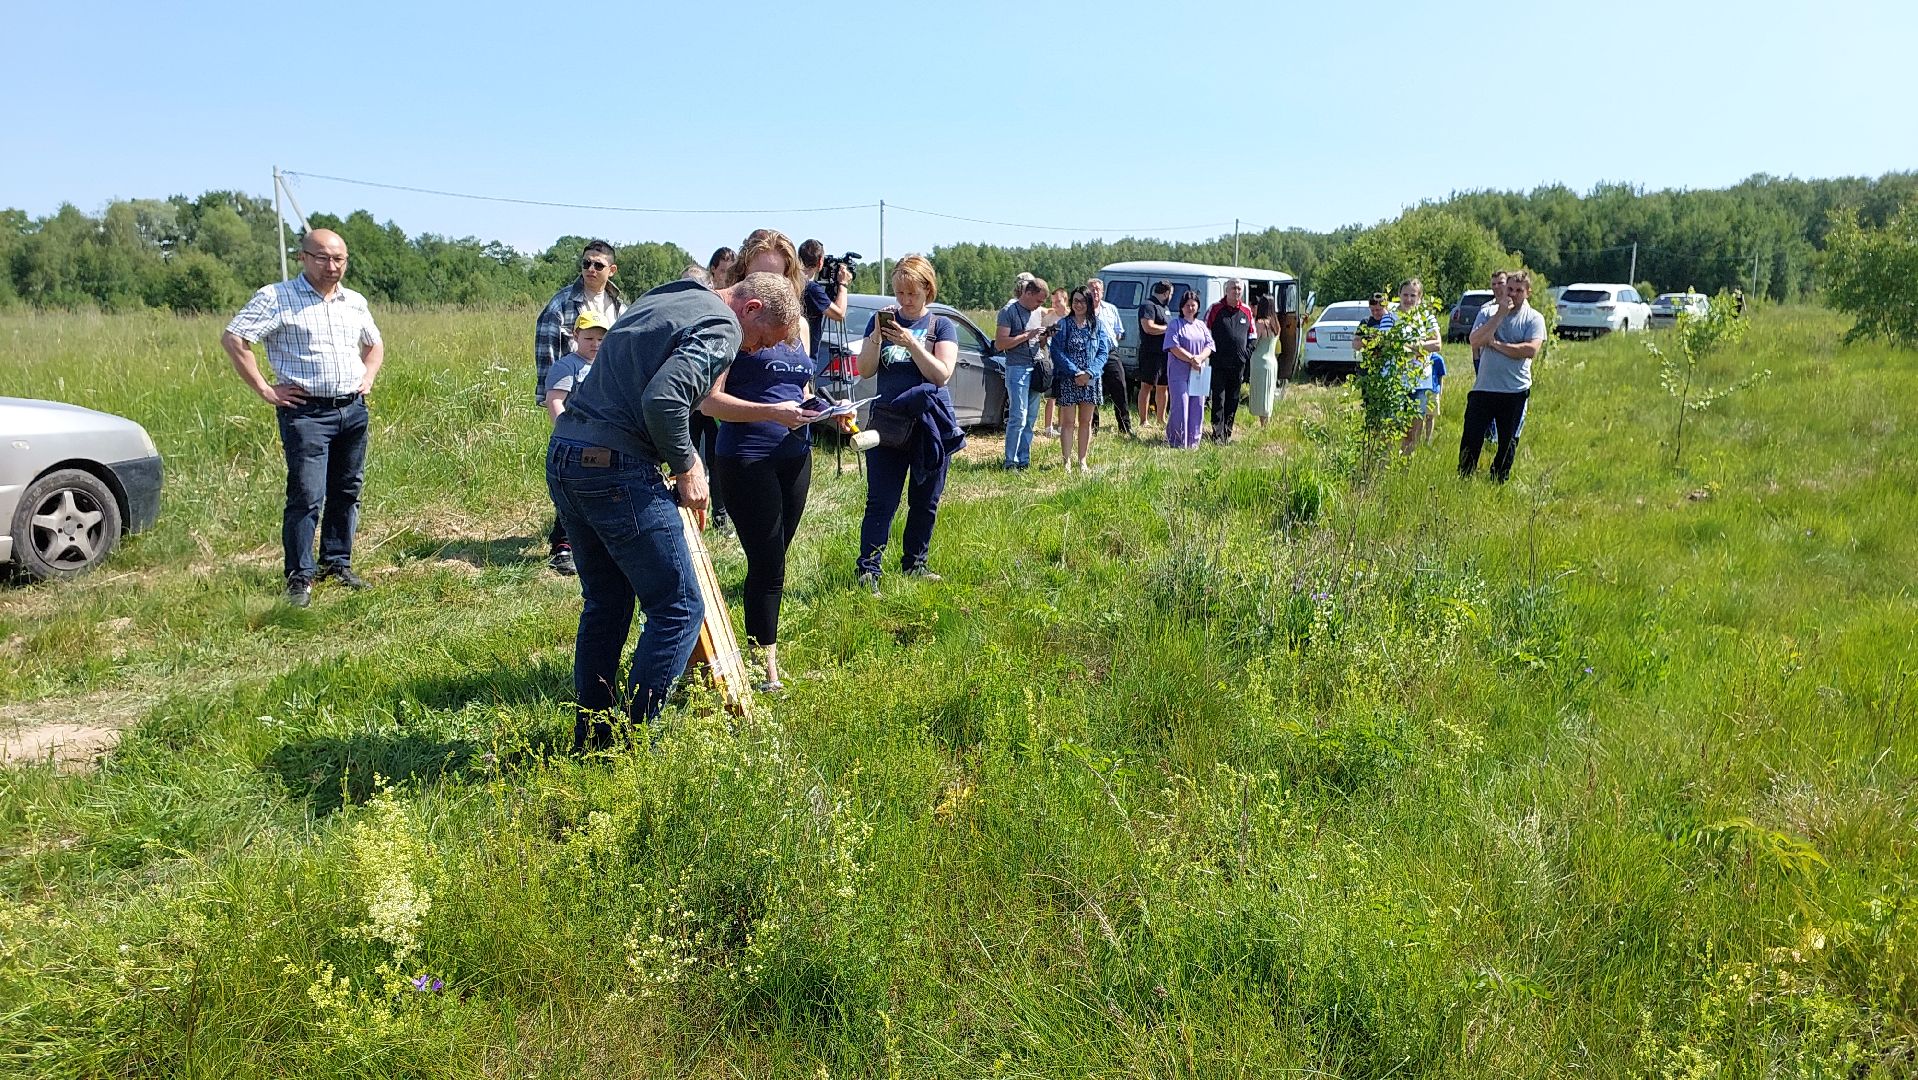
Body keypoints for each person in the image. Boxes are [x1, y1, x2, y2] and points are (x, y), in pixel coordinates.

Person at [548, 271, 800, 752]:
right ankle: (632, 743)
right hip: (616, 469)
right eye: (761, 340)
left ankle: (594, 738)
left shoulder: (673, 296)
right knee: (680, 608)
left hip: (567, 456)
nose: (751, 352)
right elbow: (663, 399)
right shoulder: (723, 325)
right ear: (749, 310)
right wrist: (688, 466)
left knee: (607, 603)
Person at [221, 228, 384, 607]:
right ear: (303, 257)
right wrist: (265, 389)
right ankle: (299, 577)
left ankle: (336, 563)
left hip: (351, 410)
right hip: (306, 413)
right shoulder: (277, 297)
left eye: (339, 259)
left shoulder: (354, 301)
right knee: (307, 495)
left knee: (347, 490)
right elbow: (235, 339)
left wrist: (368, 376)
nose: (332, 266)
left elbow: (373, 343)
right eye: (323, 258)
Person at [699, 308, 831, 694]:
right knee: (769, 563)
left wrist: (823, 411)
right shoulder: (733, 327)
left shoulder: (798, 325)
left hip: (795, 456)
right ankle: (765, 667)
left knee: (774, 558)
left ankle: (758, 645)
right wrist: (773, 412)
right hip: (746, 457)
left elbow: (802, 390)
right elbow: (709, 402)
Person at [855, 255, 965, 592]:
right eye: (900, 293)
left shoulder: (941, 327)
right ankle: (868, 571)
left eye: (911, 294)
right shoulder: (883, 323)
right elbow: (865, 370)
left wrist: (911, 342)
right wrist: (877, 334)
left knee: (925, 500)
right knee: (881, 501)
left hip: (929, 426)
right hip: (887, 424)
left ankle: (915, 564)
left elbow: (941, 374)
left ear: (927, 290)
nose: (904, 300)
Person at [535, 241, 628, 571]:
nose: (591, 269)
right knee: (572, 475)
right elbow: (547, 352)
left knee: (600, 474)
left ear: (610, 270)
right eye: (586, 263)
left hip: (608, 408)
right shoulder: (562, 303)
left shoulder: (619, 305)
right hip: (569, 404)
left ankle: (596, 539)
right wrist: (550, 401)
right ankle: (563, 545)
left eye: (598, 265)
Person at [540, 310, 610, 574]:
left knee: (595, 493)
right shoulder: (567, 366)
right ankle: (562, 547)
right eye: (589, 338)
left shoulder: (605, 365)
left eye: (601, 339)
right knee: (572, 497)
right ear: (575, 336)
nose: (595, 344)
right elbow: (555, 401)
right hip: (574, 445)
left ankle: (592, 544)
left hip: (601, 441)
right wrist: (566, 434)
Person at [1460, 270, 1546, 482]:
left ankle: (1498, 480)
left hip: (1514, 391)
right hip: (1484, 388)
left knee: (1507, 441)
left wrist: (1497, 345)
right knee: (1471, 437)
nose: (1513, 294)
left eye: (1519, 290)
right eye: (1510, 289)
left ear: (1527, 293)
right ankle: (1463, 479)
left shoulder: (1534, 318)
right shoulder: (1488, 313)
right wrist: (1499, 315)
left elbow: (1529, 350)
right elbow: (1475, 340)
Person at [1051, 286, 1113, 472]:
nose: (1078, 305)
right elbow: (1056, 351)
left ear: (1089, 303)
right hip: (1070, 379)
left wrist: (1090, 373)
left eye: (1082, 301)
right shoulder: (1063, 325)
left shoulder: (1098, 325)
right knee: (1068, 422)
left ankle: (1082, 461)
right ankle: (1066, 461)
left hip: (1090, 379)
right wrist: (1075, 372)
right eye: (1075, 301)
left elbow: (1103, 351)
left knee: (1086, 422)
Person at [994, 276, 1050, 469]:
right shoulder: (1008, 311)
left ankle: (1024, 460)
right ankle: (1010, 461)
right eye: (1038, 301)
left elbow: (1036, 341)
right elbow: (1000, 344)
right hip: (1017, 368)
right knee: (1019, 415)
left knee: (1031, 417)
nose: (1039, 305)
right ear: (1027, 293)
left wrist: (1044, 337)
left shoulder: (1036, 313)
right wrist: (1027, 335)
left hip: (1035, 367)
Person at [1394, 277, 1443, 454]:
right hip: (1395, 382)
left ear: (1420, 297)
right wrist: (1421, 346)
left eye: (1413, 295)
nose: (1408, 299)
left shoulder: (1427, 317)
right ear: (1399, 295)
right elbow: (1389, 346)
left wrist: (1412, 347)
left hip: (1420, 383)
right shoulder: (1391, 317)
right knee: (1393, 429)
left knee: (1414, 430)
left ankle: (1406, 466)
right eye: (1405, 295)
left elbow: (1437, 344)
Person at [1205, 280, 1256, 442]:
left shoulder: (1246, 310)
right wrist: (1211, 353)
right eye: (1233, 288)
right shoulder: (1215, 309)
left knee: (1233, 399)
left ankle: (1227, 432)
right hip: (1219, 363)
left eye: (1239, 288)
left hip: (1238, 364)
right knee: (1219, 398)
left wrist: (1245, 355)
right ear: (1226, 290)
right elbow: (1205, 332)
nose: (1236, 291)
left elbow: (1253, 336)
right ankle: (1216, 434)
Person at [1163, 290, 1214, 449]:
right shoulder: (1175, 324)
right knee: (1181, 405)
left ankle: (1193, 442)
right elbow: (1173, 346)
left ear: (1197, 306)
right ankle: (1177, 440)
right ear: (1182, 307)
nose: (1190, 308)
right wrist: (1191, 359)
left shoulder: (1202, 326)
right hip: (1179, 371)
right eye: (1187, 305)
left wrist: (1199, 359)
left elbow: (1209, 345)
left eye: (1193, 305)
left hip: (1198, 372)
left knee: (1198, 405)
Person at [1086, 278, 1130, 436]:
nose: (1095, 292)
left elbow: (1119, 332)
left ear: (1103, 292)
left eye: (1098, 289)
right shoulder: (1082, 310)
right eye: (1092, 289)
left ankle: (1125, 428)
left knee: (1120, 387)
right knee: (1092, 390)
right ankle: (1093, 428)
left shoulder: (1111, 309)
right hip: (1090, 355)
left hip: (1110, 354)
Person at [798, 238, 852, 366]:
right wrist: (843, 284)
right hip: (805, 360)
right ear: (820, 261)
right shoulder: (811, 288)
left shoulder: (793, 283)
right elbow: (839, 314)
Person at [1471, 271, 1506, 445]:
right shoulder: (1486, 310)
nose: (1497, 287)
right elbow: (1476, 340)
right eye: (1494, 284)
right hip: (1485, 361)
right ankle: (1490, 437)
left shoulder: (1518, 309)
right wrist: (1477, 362)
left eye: (1500, 283)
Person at [1135, 280, 1172, 429]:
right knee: (1146, 386)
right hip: (1150, 353)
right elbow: (1148, 327)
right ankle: (1143, 421)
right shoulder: (1148, 306)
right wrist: (1168, 328)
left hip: (1164, 352)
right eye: (1171, 294)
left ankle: (1160, 419)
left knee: (1164, 386)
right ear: (1166, 293)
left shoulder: (1164, 307)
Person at [1247, 296, 1283, 427]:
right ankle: (1267, 422)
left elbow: (1254, 343)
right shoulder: (1276, 324)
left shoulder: (1261, 323)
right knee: (1268, 392)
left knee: (1260, 393)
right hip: (1272, 361)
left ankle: (1263, 425)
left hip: (1260, 361)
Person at [1041, 287, 1069, 437]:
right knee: (1051, 395)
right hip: (1052, 358)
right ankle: (1048, 427)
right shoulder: (1048, 318)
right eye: (1053, 302)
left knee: (1064, 394)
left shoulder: (1072, 316)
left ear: (1065, 300)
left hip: (1068, 359)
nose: (1055, 305)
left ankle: (1062, 426)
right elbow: (1042, 338)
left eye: (1058, 301)